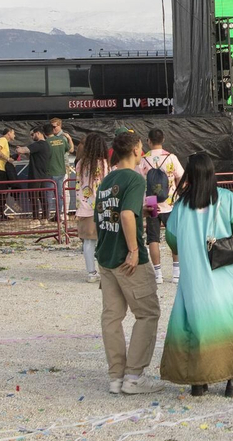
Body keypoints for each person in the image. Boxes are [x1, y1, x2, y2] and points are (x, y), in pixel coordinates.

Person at [162, 152, 233, 398]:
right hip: (225, 279)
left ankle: (198, 383)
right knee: (228, 326)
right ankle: (231, 380)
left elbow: (172, 242)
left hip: (193, 281)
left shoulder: (180, 207)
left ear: (189, 175)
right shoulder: (228, 200)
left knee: (194, 326)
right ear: (213, 173)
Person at [94, 131, 162, 395]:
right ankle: (134, 376)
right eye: (140, 145)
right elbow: (124, 214)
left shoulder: (107, 180)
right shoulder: (135, 178)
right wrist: (134, 249)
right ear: (135, 150)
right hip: (127, 258)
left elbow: (110, 213)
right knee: (147, 313)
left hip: (106, 257)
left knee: (112, 317)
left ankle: (116, 376)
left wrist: (138, 212)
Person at [138, 130, 183, 285]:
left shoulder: (144, 160)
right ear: (163, 139)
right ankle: (176, 273)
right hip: (170, 201)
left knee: (153, 238)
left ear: (148, 141)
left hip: (151, 203)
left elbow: (139, 180)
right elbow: (181, 177)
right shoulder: (171, 158)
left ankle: (158, 274)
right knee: (174, 237)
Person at [74, 132, 110, 283]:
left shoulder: (80, 164)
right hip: (103, 206)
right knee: (104, 241)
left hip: (84, 207)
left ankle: (91, 272)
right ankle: (105, 270)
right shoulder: (104, 164)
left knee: (88, 242)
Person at [0, 125, 17, 219]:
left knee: (2, 191)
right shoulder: (2, 140)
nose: (14, 135)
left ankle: (0, 213)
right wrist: (8, 159)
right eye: (13, 133)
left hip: (0, 168)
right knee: (2, 192)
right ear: (9, 133)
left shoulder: (4, 141)